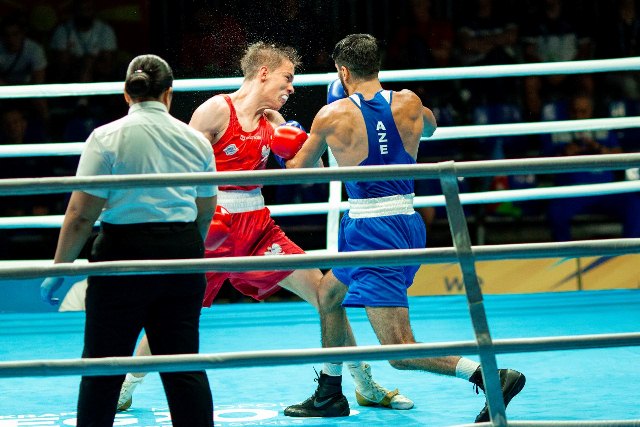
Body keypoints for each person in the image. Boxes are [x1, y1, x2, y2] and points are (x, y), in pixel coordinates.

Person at [115, 41, 414, 414]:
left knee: (326, 294)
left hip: (258, 228)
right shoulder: (215, 111)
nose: (291, 88)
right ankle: (126, 384)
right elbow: (179, 169)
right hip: (211, 227)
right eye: (287, 78)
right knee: (175, 311)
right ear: (263, 73)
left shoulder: (273, 122)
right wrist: (192, 217)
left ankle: (361, 382)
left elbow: (322, 174)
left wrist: (302, 139)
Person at [283, 34, 526, 422]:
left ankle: (493, 376)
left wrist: (288, 139)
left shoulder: (331, 116)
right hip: (404, 222)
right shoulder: (410, 102)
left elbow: (297, 172)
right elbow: (430, 129)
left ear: (342, 71)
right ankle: (330, 392)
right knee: (329, 296)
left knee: (399, 351)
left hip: (371, 229)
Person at [39, 54, 216, 427]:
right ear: (169, 94)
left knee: (103, 368)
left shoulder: (106, 137)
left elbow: (81, 215)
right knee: (184, 368)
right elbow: (204, 211)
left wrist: (60, 267)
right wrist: (186, 255)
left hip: (122, 256)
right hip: (180, 253)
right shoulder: (195, 141)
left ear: (126, 93)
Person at [544, 93, 640, 241]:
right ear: (569, 111)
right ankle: (565, 258)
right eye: (575, 111)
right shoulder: (558, 132)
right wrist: (564, 153)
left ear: (591, 111)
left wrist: (598, 147)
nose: (579, 116)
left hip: (606, 192)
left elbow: (619, 156)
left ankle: (627, 255)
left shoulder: (603, 129)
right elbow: (545, 165)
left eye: (583, 112)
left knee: (635, 204)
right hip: (573, 193)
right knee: (556, 211)